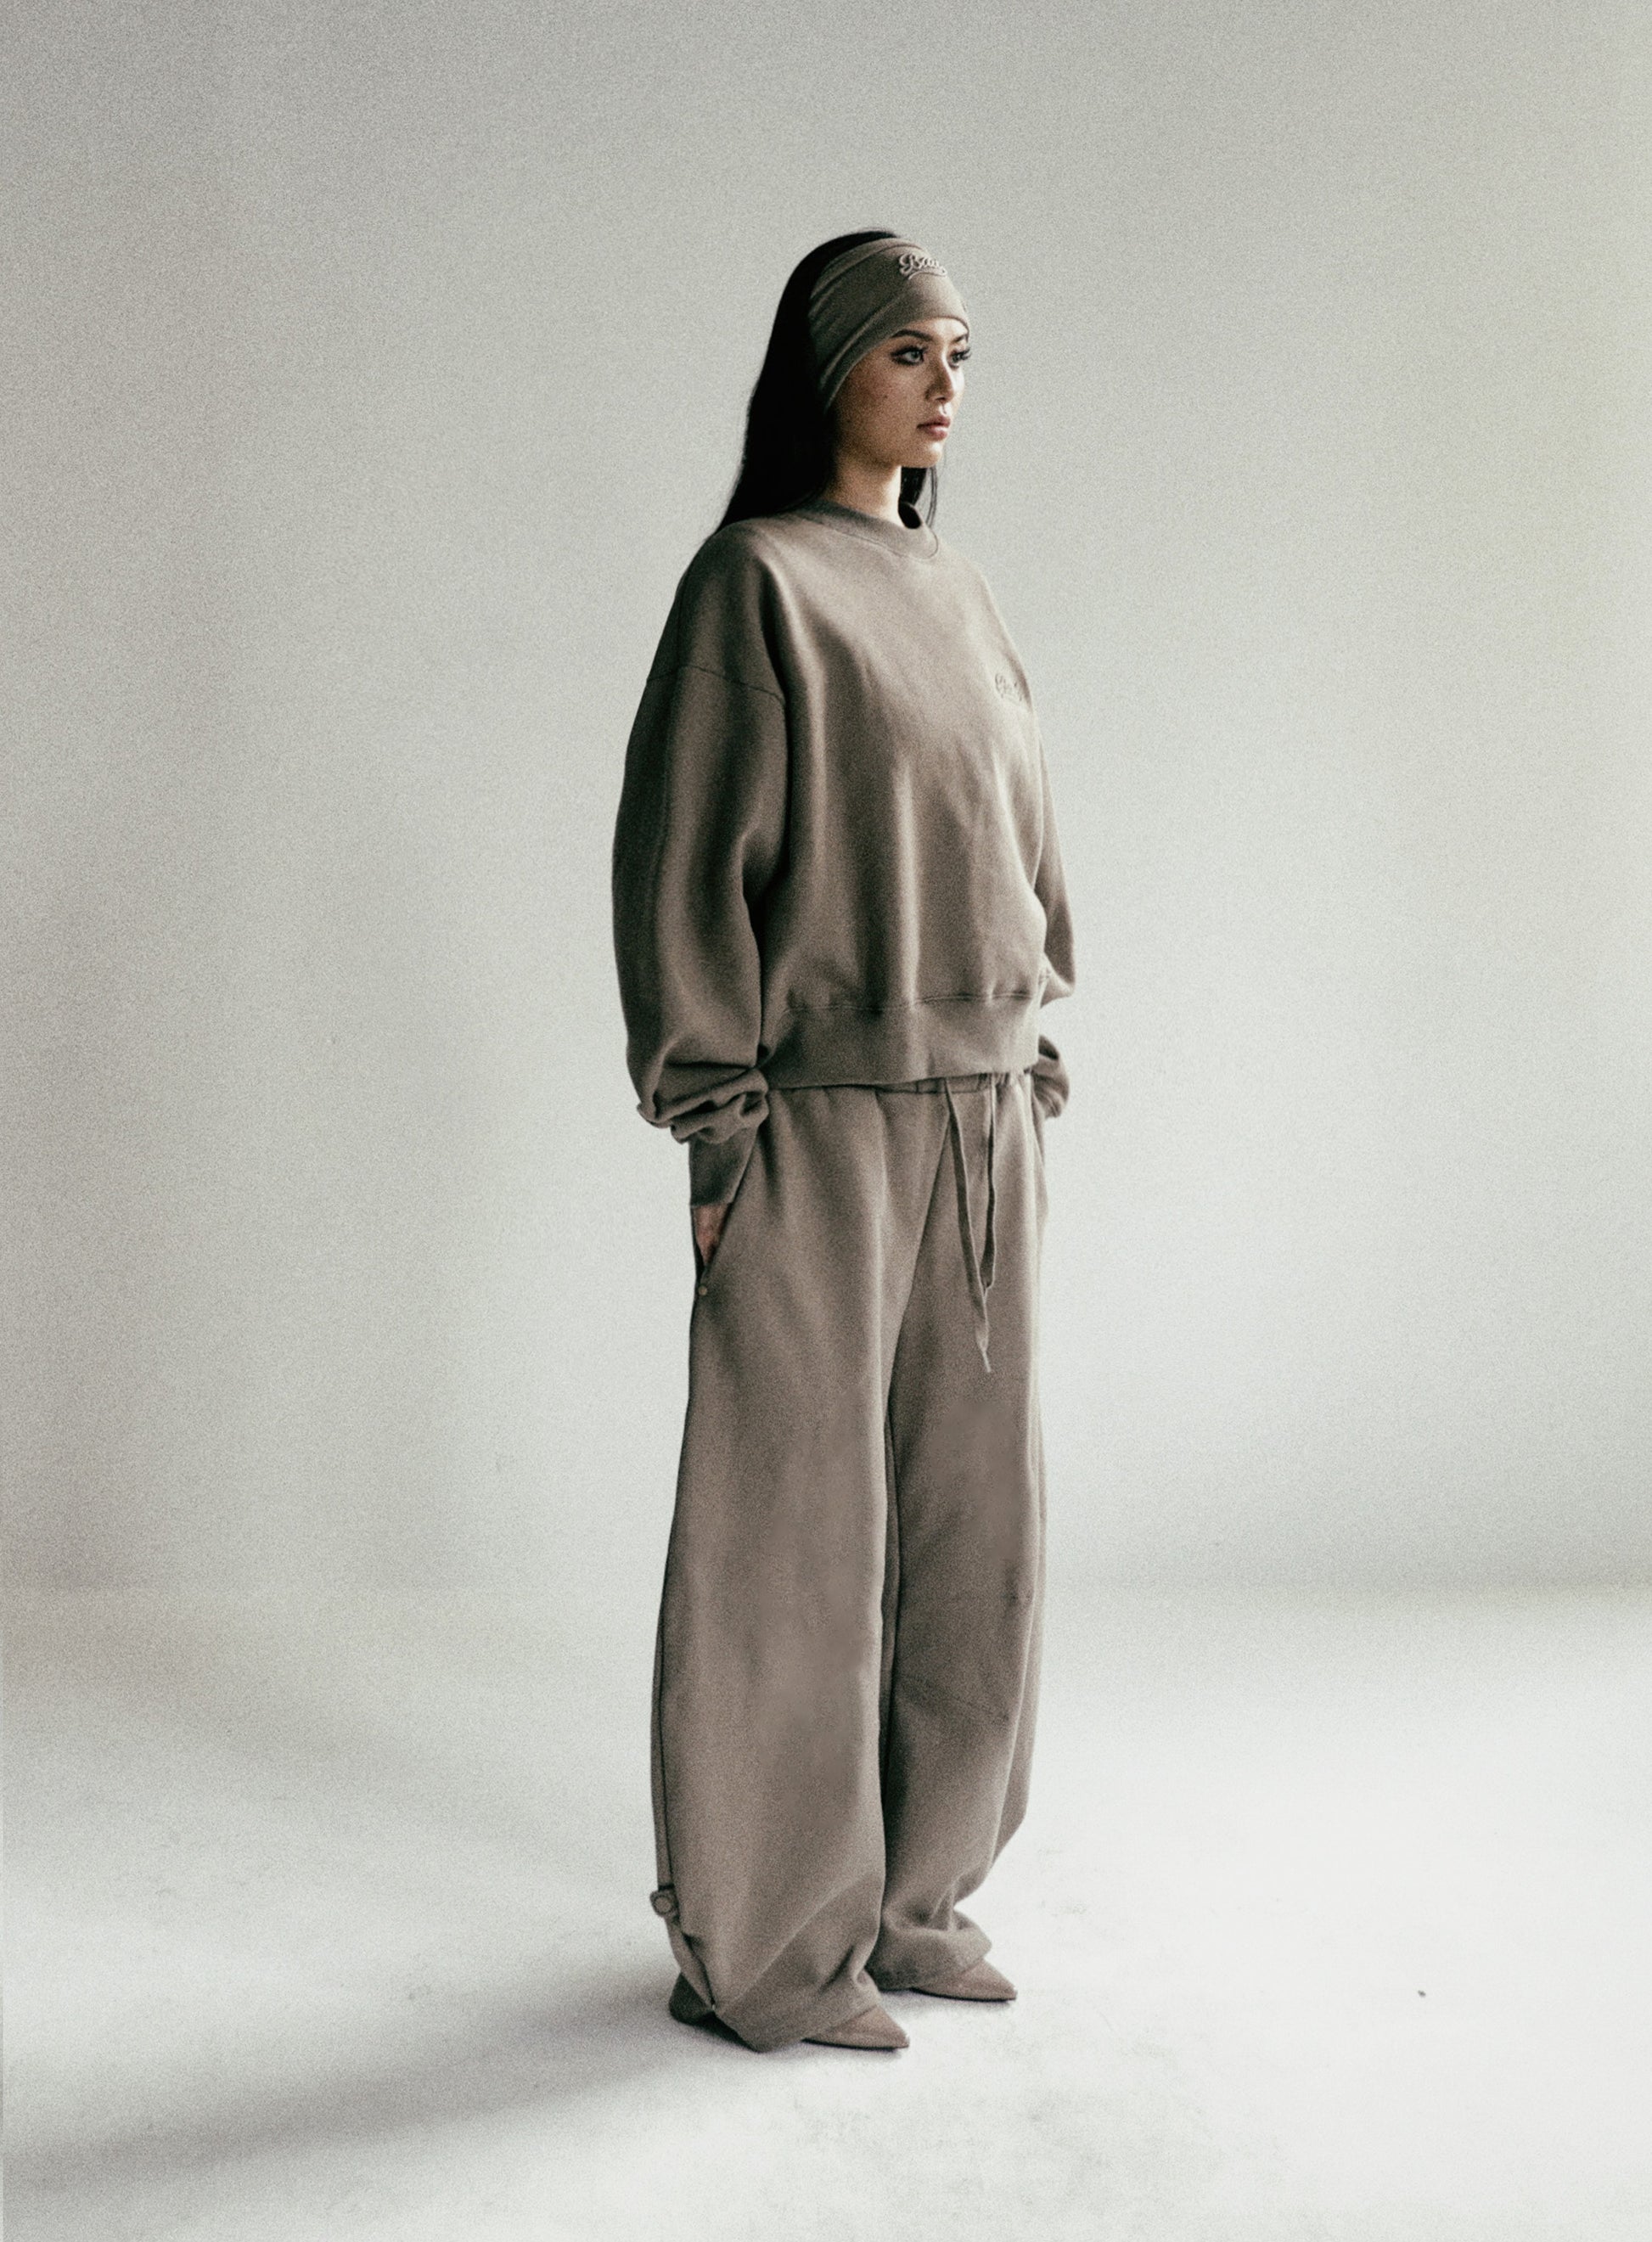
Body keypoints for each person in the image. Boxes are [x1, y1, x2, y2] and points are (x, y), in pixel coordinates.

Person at [610, 231, 1076, 2054]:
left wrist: (1029, 1043)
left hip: (983, 1119)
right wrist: (712, 1119)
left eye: (960, 351)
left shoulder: (956, 589)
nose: (945, 383)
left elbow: (1014, 834)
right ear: (828, 369)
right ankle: (768, 1946)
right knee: (794, 1540)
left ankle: (912, 1898)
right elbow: (684, 861)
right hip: (811, 1120)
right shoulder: (755, 585)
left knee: (976, 1525)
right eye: (907, 350)